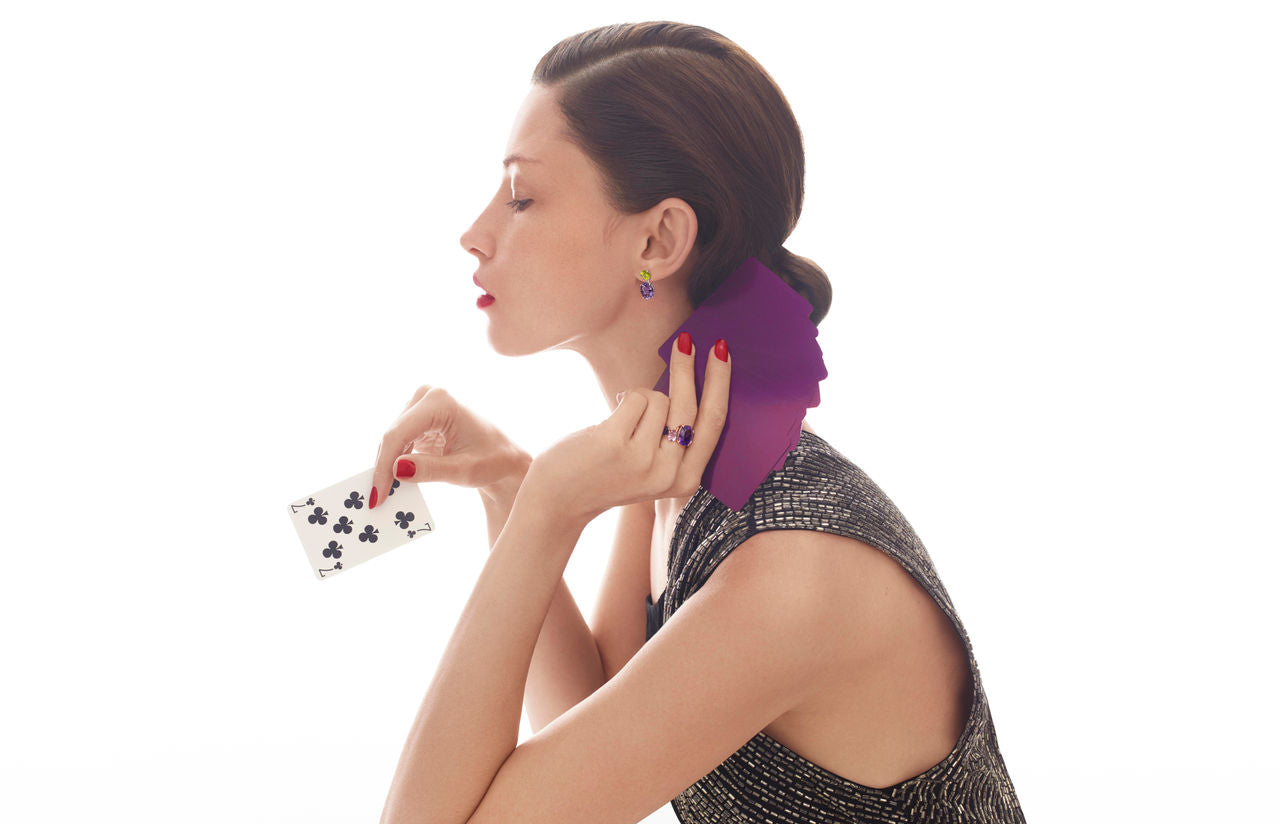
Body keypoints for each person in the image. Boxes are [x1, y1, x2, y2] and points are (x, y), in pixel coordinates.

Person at [372, 21, 1025, 824]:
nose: (475, 235)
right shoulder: (676, 470)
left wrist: (546, 510)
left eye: (521, 198)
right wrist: (510, 485)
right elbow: (599, 722)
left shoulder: (791, 568)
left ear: (659, 239)